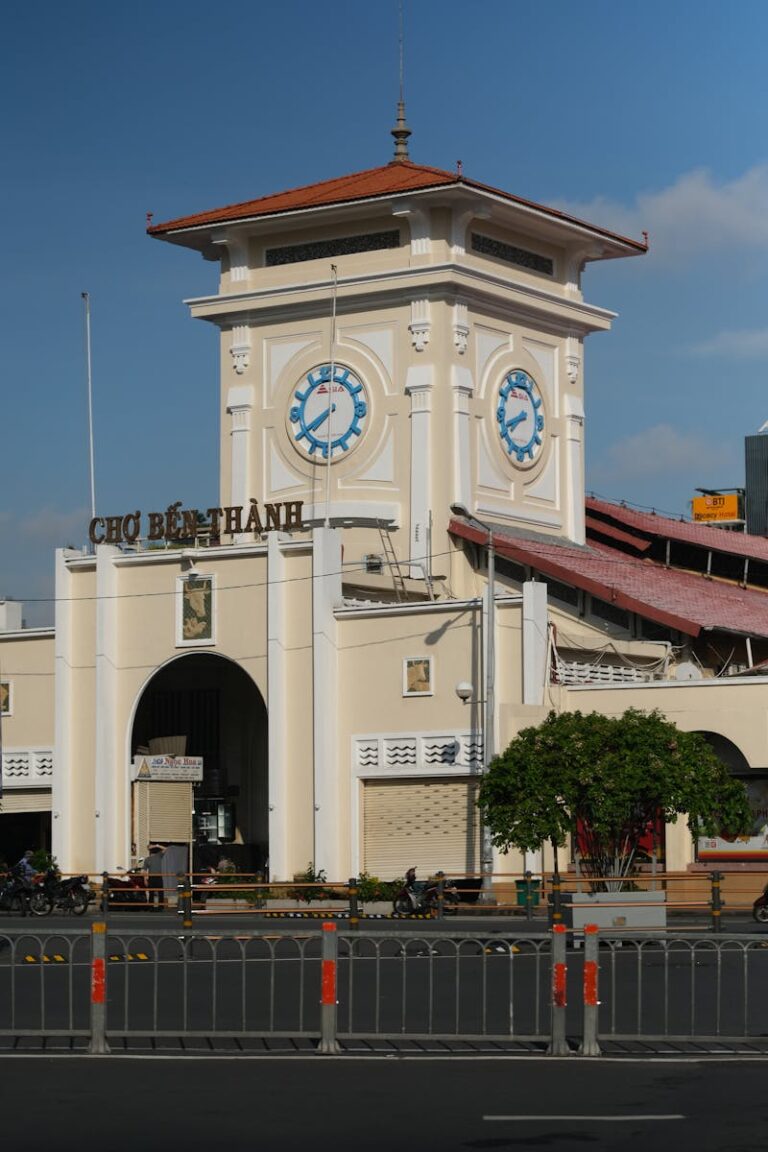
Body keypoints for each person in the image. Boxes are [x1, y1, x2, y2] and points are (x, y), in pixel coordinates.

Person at [144, 843, 166, 910]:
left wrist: (157, 845)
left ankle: (161, 907)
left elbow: (165, 849)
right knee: (151, 893)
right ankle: (151, 907)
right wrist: (145, 879)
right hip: (151, 877)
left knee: (160, 892)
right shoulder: (147, 859)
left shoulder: (159, 855)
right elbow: (144, 870)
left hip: (159, 877)